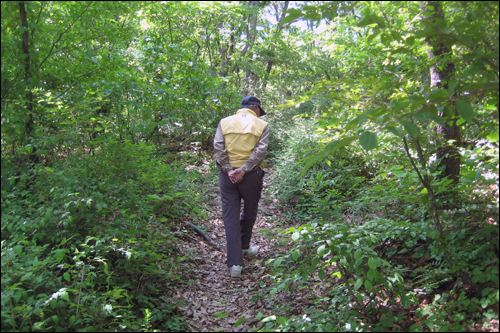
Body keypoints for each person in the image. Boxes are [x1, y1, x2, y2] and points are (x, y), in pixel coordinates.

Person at [213, 96, 269, 278]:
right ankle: (243, 246)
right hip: (251, 176)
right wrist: (244, 170)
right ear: (254, 107)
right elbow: (260, 151)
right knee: (250, 211)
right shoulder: (262, 125)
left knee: (230, 216)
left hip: (227, 176)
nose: (259, 114)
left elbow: (218, 146)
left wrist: (229, 170)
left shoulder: (224, 122)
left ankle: (235, 263)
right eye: (259, 110)